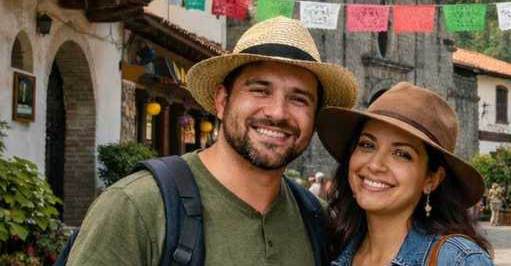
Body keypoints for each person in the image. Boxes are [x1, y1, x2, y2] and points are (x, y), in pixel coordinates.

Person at [65, 17, 360, 265]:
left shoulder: (316, 221)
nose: (277, 112)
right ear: (222, 100)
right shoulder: (137, 207)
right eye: (260, 90)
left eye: (299, 99)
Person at [319, 82, 493, 266]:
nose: (376, 165)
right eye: (367, 145)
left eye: (402, 154)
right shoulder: (333, 247)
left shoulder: (457, 261)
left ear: (431, 179)